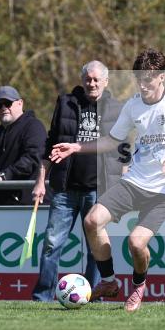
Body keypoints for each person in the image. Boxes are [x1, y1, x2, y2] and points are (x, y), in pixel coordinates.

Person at [50, 48, 165, 312]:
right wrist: (77, 147)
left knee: (136, 243)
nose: (143, 84)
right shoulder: (133, 105)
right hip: (135, 182)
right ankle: (109, 281)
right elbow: (112, 140)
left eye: (148, 79)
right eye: (139, 78)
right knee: (92, 221)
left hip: (164, 191)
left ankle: (138, 286)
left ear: (161, 77)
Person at [30, 60, 129, 302]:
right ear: (82, 79)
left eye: (96, 79)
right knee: (52, 245)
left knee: (97, 249)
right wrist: (41, 181)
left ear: (106, 81)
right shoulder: (65, 104)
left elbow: (124, 150)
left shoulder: (117, 109)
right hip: (64, 189)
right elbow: (50, 144)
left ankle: (94, 295)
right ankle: (43, 296)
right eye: (88, 78)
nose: (91, 83)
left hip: (99, 191)